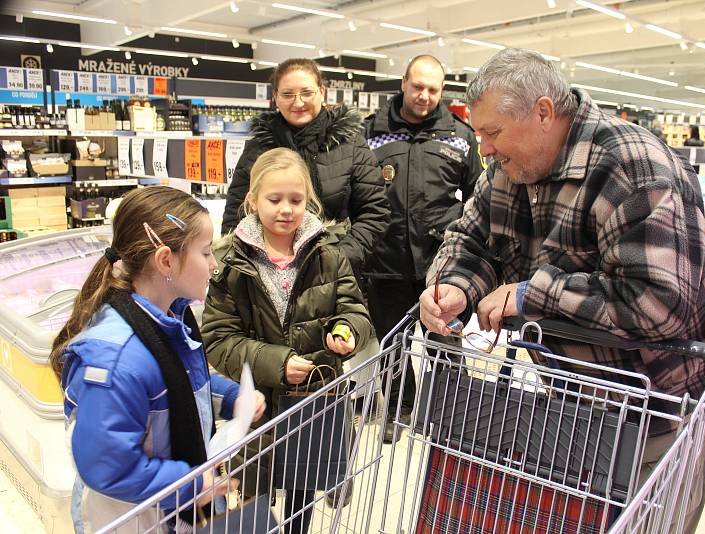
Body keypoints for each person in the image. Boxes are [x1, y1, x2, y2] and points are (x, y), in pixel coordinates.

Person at [418, 48, 705, 534]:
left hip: (663, 401)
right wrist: (456, 287)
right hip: (580, 395)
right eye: (478, 131)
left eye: (493, 132)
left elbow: (659, 303)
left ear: (543, 112)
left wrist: (530, 294)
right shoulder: (508, 170)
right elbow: (470, 239)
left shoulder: (632, 167)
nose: (482, 147)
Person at [49, 186, 266, 533]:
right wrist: (192, 483)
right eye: (206, 253)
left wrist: (230, 398)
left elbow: (180, 387)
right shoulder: (117, 359)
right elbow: (107, 465)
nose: (213, 265)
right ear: (166, 260)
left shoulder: (168, 319)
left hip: (169, 512)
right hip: (135, 520)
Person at [203, 148, 372, 534]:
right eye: (274, 199)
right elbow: (218, 338)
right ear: (252, 199)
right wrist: (277, 363)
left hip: (314, 399)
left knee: (303, 489)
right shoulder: (230, 260)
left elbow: (354, 309)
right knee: (254, 493)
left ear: (308, 199)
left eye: (296, 200)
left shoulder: (327, 251)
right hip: (257, 403)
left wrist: (347, 329)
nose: (286, 209)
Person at [362, 54, 482, 442]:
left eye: (433, 89)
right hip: (385, 263)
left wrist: (460, 239)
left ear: (442, 90)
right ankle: (399, 411)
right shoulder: (370, 132)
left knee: (445, 344)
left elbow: (479, 197)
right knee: (391, 346)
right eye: (418, 87)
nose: (425, 96)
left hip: (441, 267)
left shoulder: (460, 136)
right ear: (403, 83)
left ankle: (453, 419)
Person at [222, 58, 389, 280]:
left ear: (322, 91)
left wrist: (341, 258)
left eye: (307, 93)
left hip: (337, 276)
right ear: (275, 97)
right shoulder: (259, 147)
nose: (298, 102)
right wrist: (245, 268)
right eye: (288, 94)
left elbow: (374, 212)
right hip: (269, 277)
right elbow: (237, 213)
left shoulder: (350, 144)